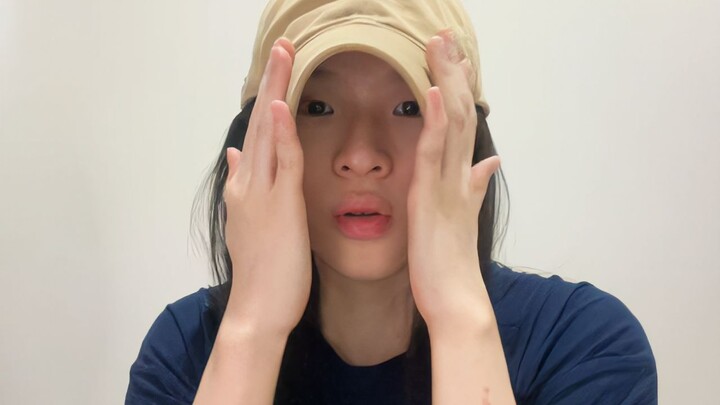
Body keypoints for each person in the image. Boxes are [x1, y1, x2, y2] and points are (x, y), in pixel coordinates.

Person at [125, 0, 658, 404]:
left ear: (465, 137)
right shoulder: (188, 349)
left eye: (408, 107)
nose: (360, 157)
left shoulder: (580, 343)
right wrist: (254, 326)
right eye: (317, 106)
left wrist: (457, 314)